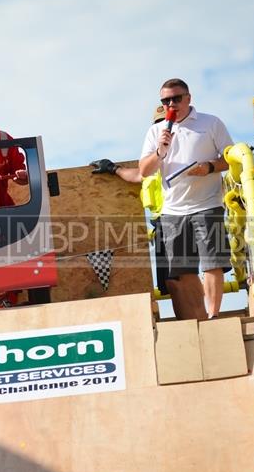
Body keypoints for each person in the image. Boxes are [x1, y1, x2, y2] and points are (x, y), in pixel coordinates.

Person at [138, 78, 233, 320]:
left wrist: (209, 167)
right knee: (182, 269)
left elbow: (230, 158)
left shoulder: (211, 123)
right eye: (165, 100)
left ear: (189, 98)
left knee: (212, 263)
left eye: (176, 98)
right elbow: (143, 170)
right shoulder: (155, 131)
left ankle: (213, 315)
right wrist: (160, 151)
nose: (171, 104)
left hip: (207, 203)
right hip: (172, 210)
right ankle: (199, 316)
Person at [90, 105, 169, 297]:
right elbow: (137, 176)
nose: (161, 127)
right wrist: (112, 168)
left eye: (164, 123)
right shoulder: (153, 161)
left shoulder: (179, 157)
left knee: (185, 276)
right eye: (157, 124)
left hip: (181, 217)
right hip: (161, 224)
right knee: (170, 283)